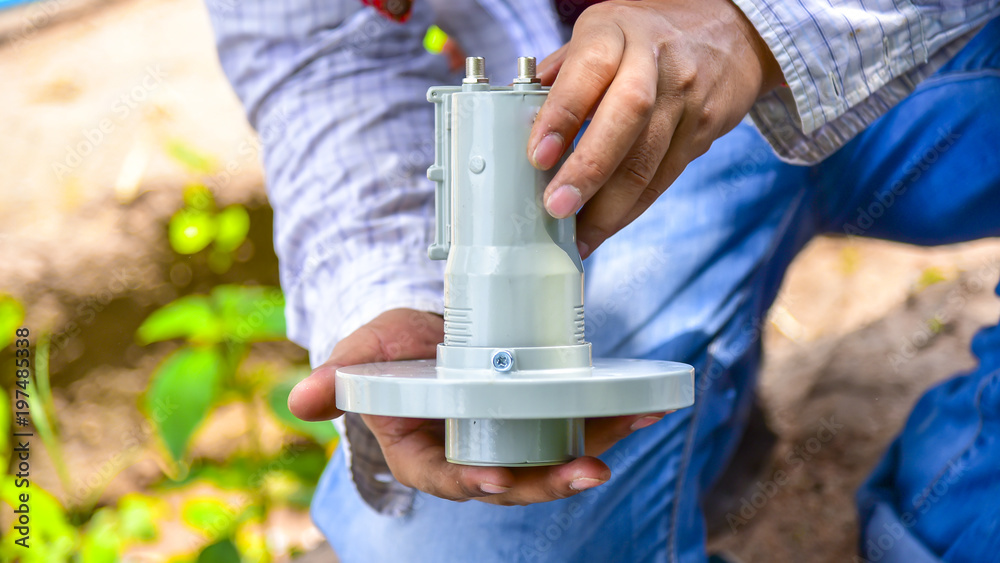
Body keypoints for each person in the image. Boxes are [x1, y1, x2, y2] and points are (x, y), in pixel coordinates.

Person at [207, 0, 1000, 560]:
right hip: (626, 145)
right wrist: (395, 293)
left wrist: (750, 25)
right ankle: (713, 403)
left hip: (942, 44)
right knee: (478, 541)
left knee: (967, 523)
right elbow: (324, 47)